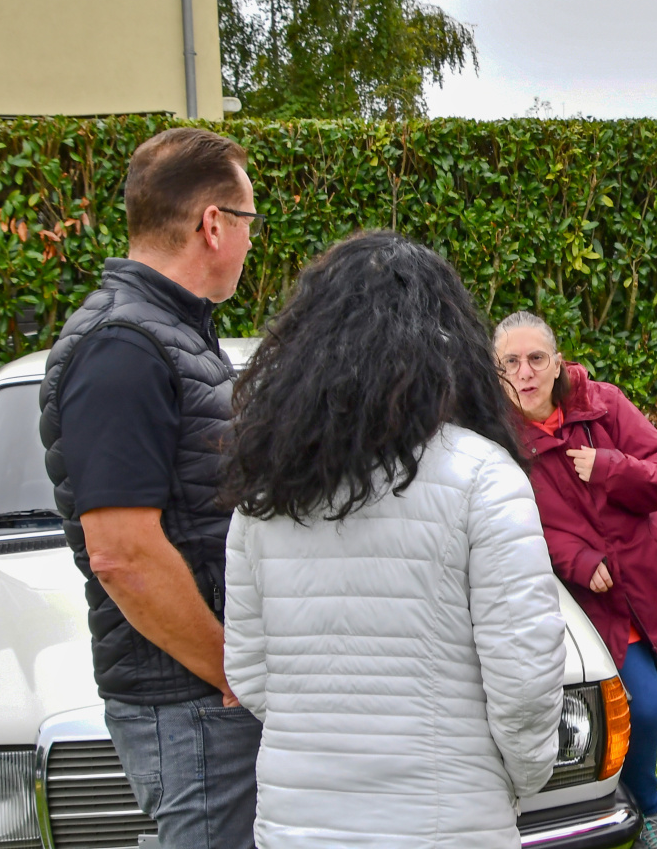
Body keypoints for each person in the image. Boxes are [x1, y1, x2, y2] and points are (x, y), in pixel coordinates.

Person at [222, 232, 565, 848]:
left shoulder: (267, 490)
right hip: (449, 825)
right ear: (450, 348)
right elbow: (525, 681)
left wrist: (324, 743)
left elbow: (248, 671)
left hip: (299, 826)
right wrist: (516, 779)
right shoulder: (484, 476)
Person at [39, 127, 262, 849]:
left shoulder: (168, 332)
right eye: (249, 222)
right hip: (190, 703)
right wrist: (230, 671)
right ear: (213, 225)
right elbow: (122, 553)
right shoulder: (124, 348)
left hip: (200, 696)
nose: (251, 242)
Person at [494, 311, 657, 849]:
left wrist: (609, 467)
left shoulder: (603, 403)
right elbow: (512, 527)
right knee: (646, 708)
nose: (525, 373)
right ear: (497, 372)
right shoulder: (498, 444)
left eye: (536, 358)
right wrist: (575, 559)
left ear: (557, 363)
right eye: (511, 362)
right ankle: (645, 808)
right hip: (603, 600)